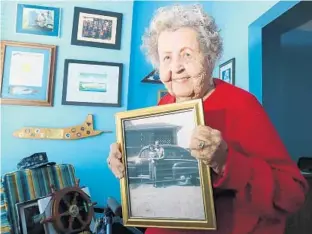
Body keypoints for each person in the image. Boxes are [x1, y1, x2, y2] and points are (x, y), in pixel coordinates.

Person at [106, 3, 309, 234]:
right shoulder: (164, 106)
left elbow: (293, 195)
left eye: (187, 55)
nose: (176, 67)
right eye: (166, 58)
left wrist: (226, 162)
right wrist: (126, 162)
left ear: (210, 57)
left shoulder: (242, 105)